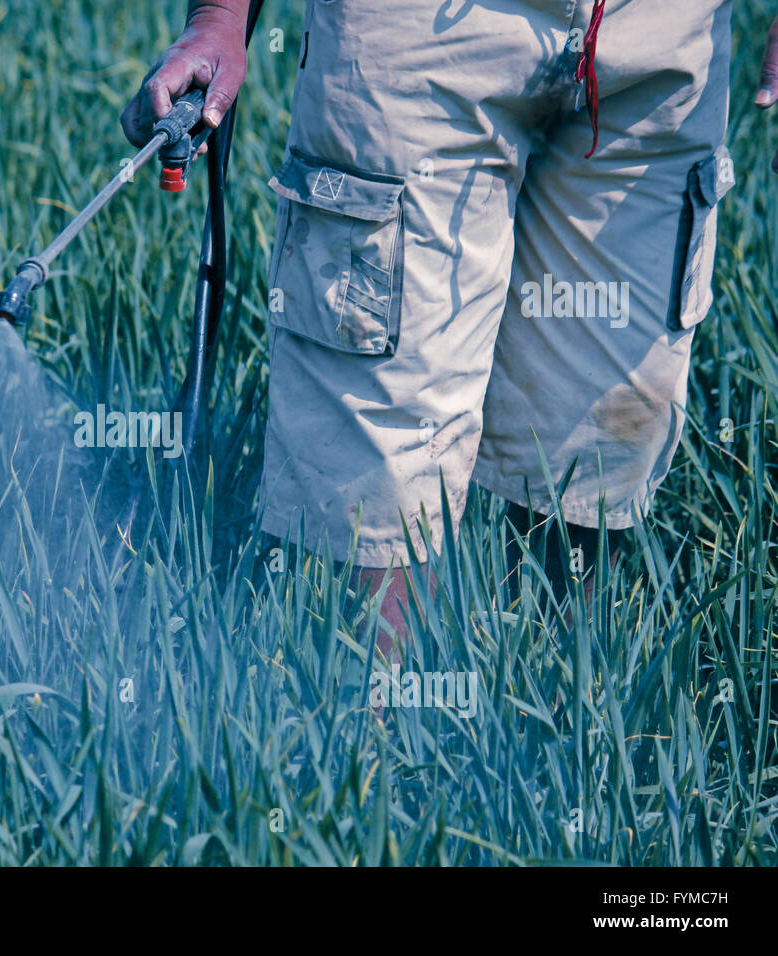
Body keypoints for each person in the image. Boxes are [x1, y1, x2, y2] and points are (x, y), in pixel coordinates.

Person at [121, 0, 778, 646]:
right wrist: (218, 17)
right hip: (413, 34)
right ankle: (374, 706)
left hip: (664, 37)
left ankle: (556, 695)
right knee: (385, 454)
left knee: (600, 436)